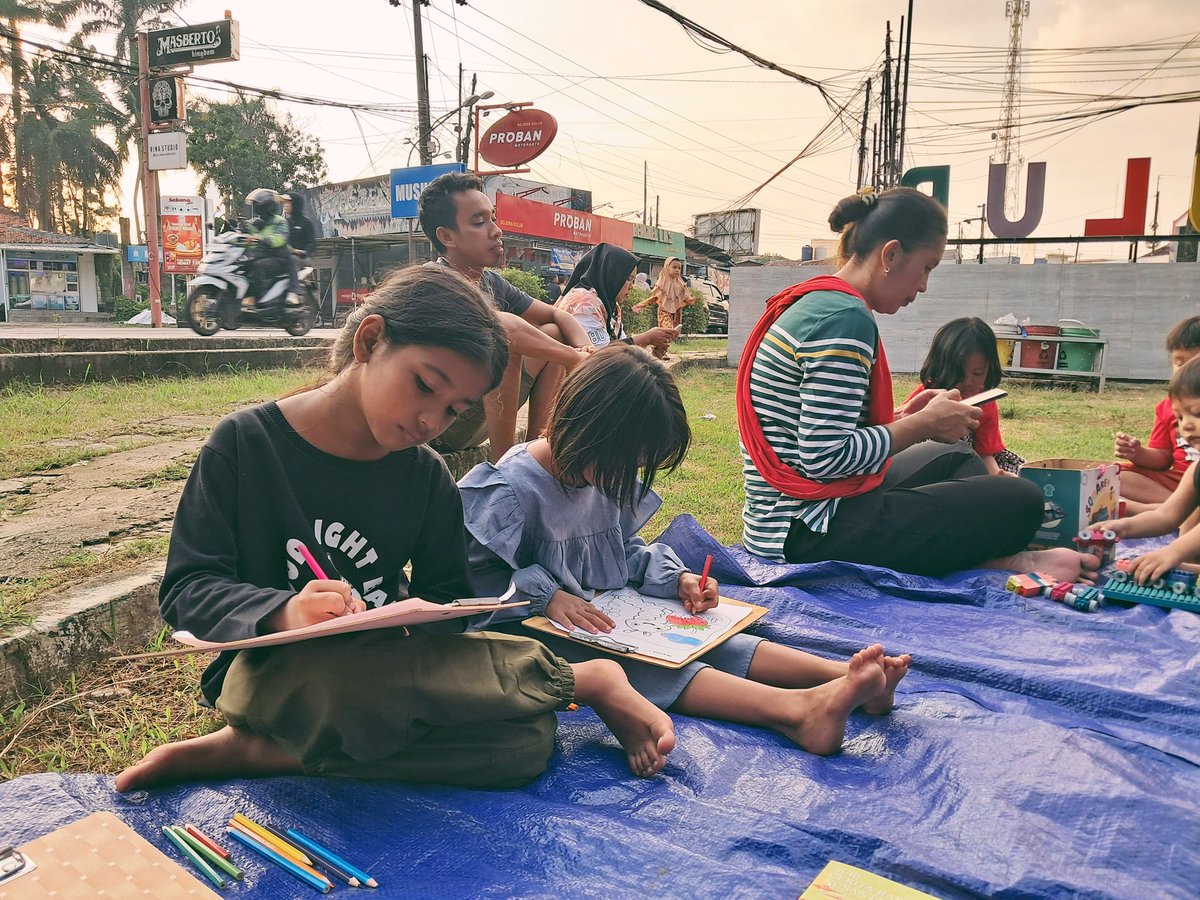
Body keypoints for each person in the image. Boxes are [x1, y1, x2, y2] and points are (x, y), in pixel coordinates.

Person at [114, 266, 675, 794]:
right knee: (348, 686)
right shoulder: (245, 445)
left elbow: (447, 607)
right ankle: (585, 680)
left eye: (454, 410)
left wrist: (419, 617)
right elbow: (189, 591)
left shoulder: (424, 475)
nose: (431, 421)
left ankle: (269, 753)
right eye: (425, 385)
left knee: (522, 744)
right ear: (370, 341)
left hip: (389, 663)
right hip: (273, 673)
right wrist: (286, 611)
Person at [460, 345, 909, 756]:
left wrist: (677, 579)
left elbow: (619, 550)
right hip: (535, 636)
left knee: (705, 639)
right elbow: (472, 585)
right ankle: (795, 712)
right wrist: (547, 595)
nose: (627, 477)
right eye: (626, 463)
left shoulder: (597, 476)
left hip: (606, 617)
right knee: (644, 666)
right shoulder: (510, 489)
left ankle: (842, 676)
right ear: (588, 430)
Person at [738, 187, 1098, 583]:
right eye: (926, 267)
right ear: (890, 255)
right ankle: (998, 561)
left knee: (958, 457)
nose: (924, 285)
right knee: (1022, 500)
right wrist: (923, 424)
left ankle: (954, 552)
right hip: (805, 529)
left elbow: (813, 432)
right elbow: (824, 458)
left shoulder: (818, 302)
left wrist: (904, 417)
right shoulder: (844, 319)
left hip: (795, 512)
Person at [418, 172, 596, 462]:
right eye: (479, 222)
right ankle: (505, 467)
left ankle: (537, 448)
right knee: (503, 339)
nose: (496, 231)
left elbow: (556, 313)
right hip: (441, 424)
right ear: (446, 236)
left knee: (553, 332)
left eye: (493, 218)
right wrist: (574, 358)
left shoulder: (491, 282)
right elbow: (502, 327)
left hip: (475, 412)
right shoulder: (435, 282)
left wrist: (585, 349)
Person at [1106, 354, 1200, 579]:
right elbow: (1166, 516)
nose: (1186, 425)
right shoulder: (1196, 470)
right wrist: (1122, 527)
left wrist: (1173, 552)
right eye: (1179, 418)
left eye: (1197, 414)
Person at [906, 317, 1023, 476]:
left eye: (978, 373)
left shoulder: (985, 402)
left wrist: (996, 475)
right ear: (941, 367)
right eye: (958, 373)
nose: (968, 382)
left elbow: (985, 453)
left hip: (971, 467)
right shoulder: (926, 397)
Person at [1115, 316, 1200, 513]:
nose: (1186, 425)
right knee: (1113, 476)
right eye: (1179, 363)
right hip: (1177, 483)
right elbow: (1163, 457)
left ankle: (1164, 511)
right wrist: (1138, 453)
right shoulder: (1167, 407)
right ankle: (1176, 508)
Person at [554, 243, 680, 352]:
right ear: (612, 275)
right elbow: (599, 353)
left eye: (633, 280)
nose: (631, 286)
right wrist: (646, 338)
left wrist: (653, 352)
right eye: (628, 279)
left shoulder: (610, 305)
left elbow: (620, 345)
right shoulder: (584, 303)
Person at [242, 188, 299, 306]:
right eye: (256, 205)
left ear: (269, 206)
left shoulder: (280, 221)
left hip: (278, 257)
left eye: (260, 205)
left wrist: (262, 238)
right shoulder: (254, 222)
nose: (258, 207)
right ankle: (246, 295)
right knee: (242, 264)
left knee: (258, 266)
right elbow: (246, 235)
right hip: (261, 255)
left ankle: (261, 299)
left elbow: (280, 239)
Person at [632, 256, 692, 360]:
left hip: (676, 312)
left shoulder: (680, 283)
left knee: (673, 333)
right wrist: (641, 305)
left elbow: (685, 297)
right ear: (667, 267)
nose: (677, 270)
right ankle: (659, 352)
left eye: (679, 268)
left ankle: (659, 351)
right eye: (674, 267)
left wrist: (691, 300)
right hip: (664, 311)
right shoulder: (662, 282)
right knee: (668, 330)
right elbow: (655, 297)